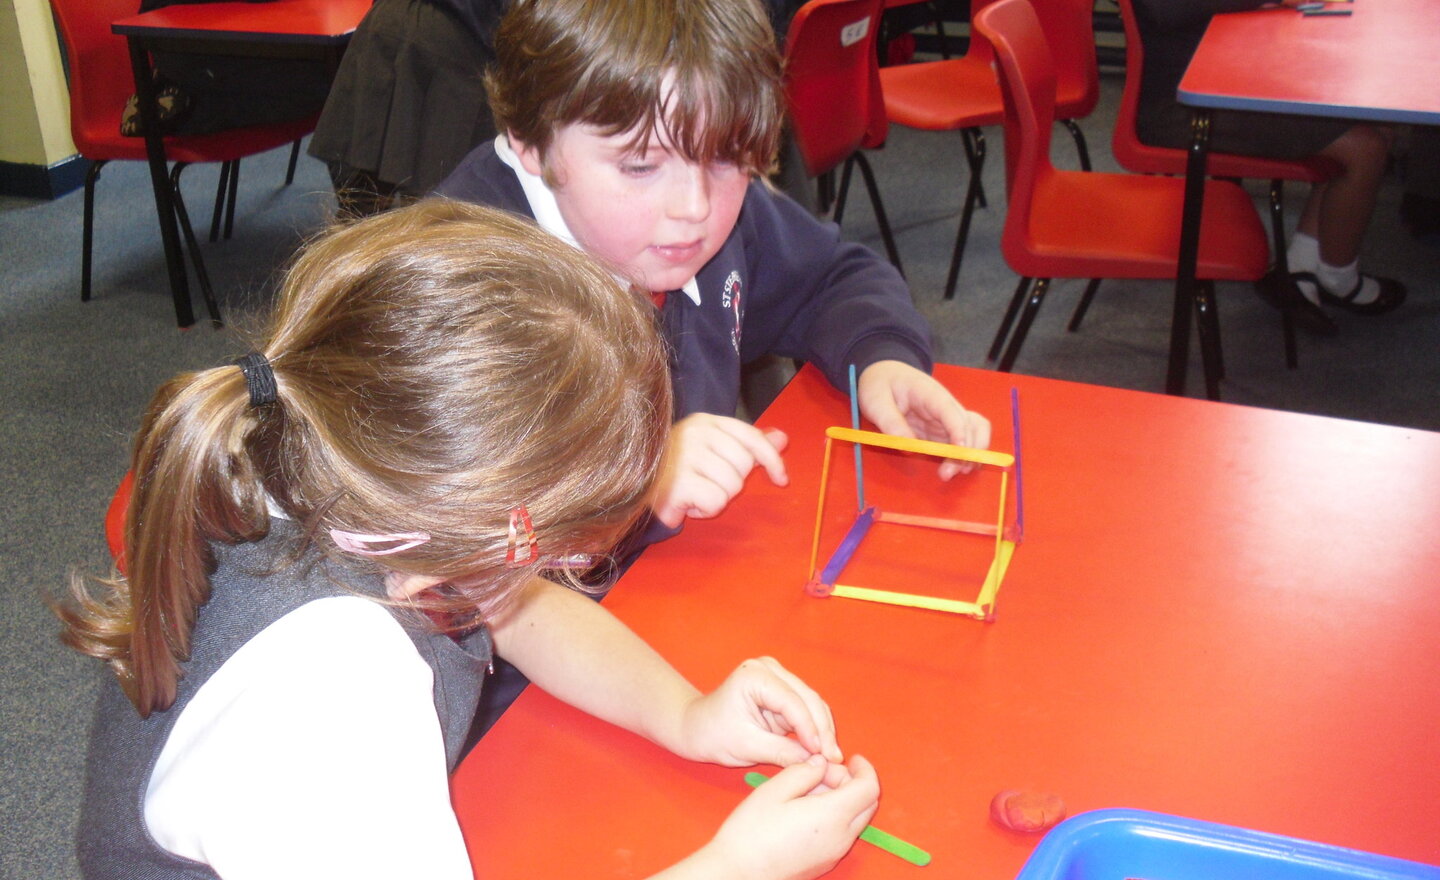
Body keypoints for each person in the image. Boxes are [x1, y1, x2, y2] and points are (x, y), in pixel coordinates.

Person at [55, 200, 880, 880]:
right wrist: (739, 867)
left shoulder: (341, 467)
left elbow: (517, 610)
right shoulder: (332, 695)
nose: (554, 575)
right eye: (559, 553)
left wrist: (687, 715)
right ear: (496, 526)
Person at [435, 0, 993, 733]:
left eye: (728, 161)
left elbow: (834, 277)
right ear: (529, 142)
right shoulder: (459, 293)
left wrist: (882, 359)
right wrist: (635, 481)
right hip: (515, 710)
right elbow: (459, 565)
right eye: (639, 165)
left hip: (690, 611)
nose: (694, 209)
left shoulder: (689, 220)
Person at [1129, 0, 1406, 333]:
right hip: (1182, 105)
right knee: (1365, 148)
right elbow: (1166, 10)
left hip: (1232, 73)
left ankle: (1302, 268)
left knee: (1377, 122)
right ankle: (1338, 277)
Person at [307, 0, 508, 217]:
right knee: (436, 208)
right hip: (454, 45)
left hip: (387, 24)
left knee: (362, 195)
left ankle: (359, 240)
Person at [123, 0, 331, 137]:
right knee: (341, 80)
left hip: (249, 40)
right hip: (198, 52)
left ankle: (357, 199)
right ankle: (189, 110)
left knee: (345, 73)